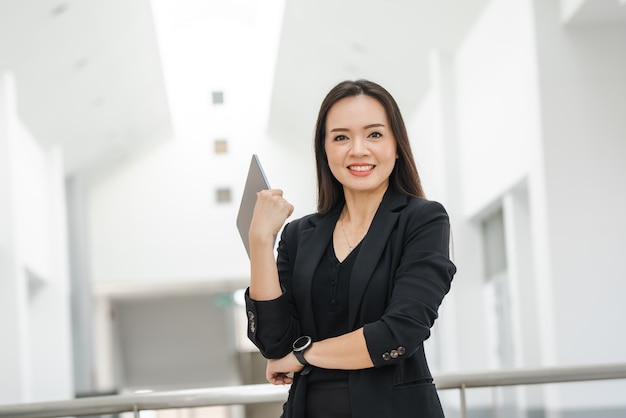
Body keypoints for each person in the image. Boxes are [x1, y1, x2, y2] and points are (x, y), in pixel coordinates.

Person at [244, 79, 456, 418]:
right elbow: (275, 343)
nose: (358, 150)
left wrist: (304, 356)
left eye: (374, 134)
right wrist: (259, 241)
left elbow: (400, 332)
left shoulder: (423, 220)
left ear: (397, 145)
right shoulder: (299, 234)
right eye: (341, 137)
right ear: (324, 150)